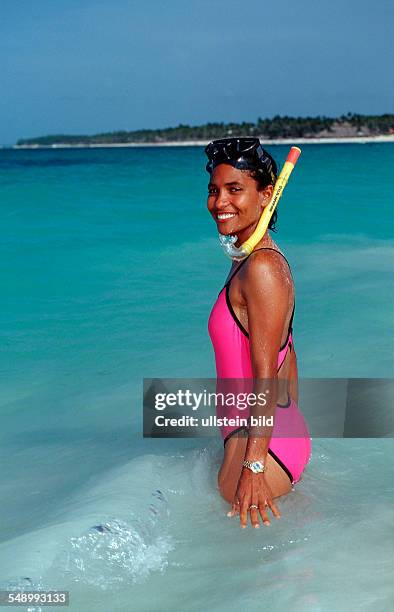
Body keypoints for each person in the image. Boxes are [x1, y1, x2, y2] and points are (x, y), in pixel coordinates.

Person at [206, 138, 311, 529]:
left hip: (261, 446)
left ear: (266, 195)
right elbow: (290, 355)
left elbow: (265, 377)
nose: (220, 202)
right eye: (214, 190)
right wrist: (291, 427)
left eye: (235, 190)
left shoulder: (262, 268)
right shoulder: (252, 261)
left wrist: (254, 466)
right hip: (272, 436)